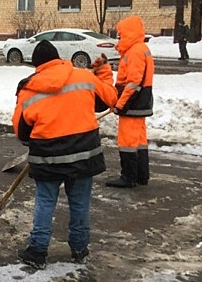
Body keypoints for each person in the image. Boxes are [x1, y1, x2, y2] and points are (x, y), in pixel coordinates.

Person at [12, 40, 118, 269]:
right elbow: (110, 99)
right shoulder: (84, 77)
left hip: (48, 157)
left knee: (45, 203)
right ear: (58, 58)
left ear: (37, 65)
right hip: (84, 153)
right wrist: (105, 73)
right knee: (80, 203)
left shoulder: (29, 87)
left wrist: (32, 141)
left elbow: (21, 131)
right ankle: (79, 249)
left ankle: (38, 252)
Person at [105, 15, 155, 188]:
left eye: (120, 34)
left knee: (127, 142)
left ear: (129, 33)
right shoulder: (140, 49)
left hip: (132, 105)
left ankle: (128, 177)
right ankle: (141, 175)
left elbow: (134, 83)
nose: (119, 37)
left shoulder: (135, 51)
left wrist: (121, 104)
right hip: (140, 104)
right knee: (139, 141)